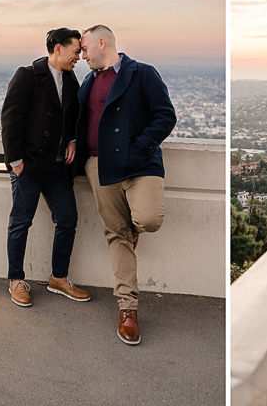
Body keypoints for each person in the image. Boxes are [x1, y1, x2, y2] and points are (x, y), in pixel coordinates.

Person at [74, 25, 176, 345]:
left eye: (85, 48)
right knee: (116, 235)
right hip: (100, 167)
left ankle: (132, 226)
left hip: (140, 165)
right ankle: (127, 308)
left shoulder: (142, 73)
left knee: (149, 219)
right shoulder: (88, 82)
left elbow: (165, 116)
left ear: (101, 42)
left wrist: (139, 148)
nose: (82, 55)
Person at [0, 27, 91, 307]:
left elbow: (74, 116)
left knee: (68, 219)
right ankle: (16, 279)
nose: (79, 57)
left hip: (57, 166)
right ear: (58, 48)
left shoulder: (71, 78)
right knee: (21, 222)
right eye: (76, 51)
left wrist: (73, 140)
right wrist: (16, 162)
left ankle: (58, 278)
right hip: (29, 165)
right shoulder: (28, 75)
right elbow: (10, 119)